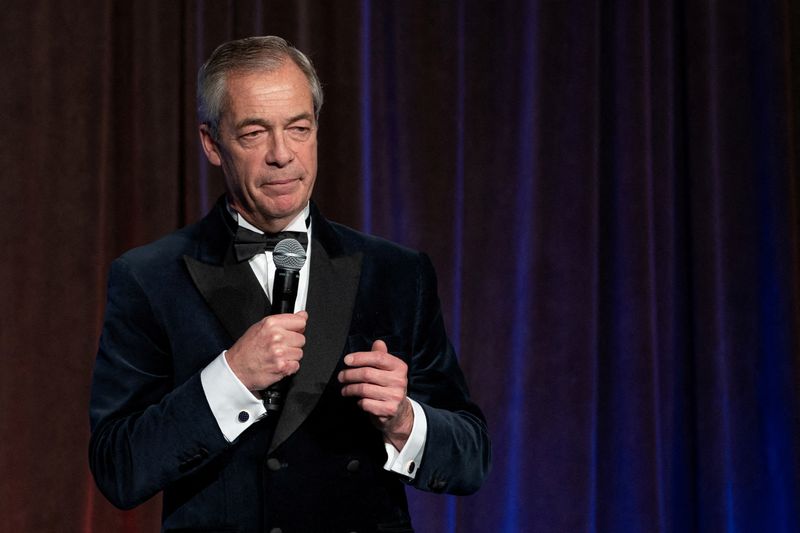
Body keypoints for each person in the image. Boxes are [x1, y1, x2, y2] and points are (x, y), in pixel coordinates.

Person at [89, 35, 490, 533]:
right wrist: (229, 379)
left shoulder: (397, 272)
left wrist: (405, 420)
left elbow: (471, 460)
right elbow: (118, 470)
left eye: (298, 128)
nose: (282, 155)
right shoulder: (149, 277)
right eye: (254, 133)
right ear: (212, 144)